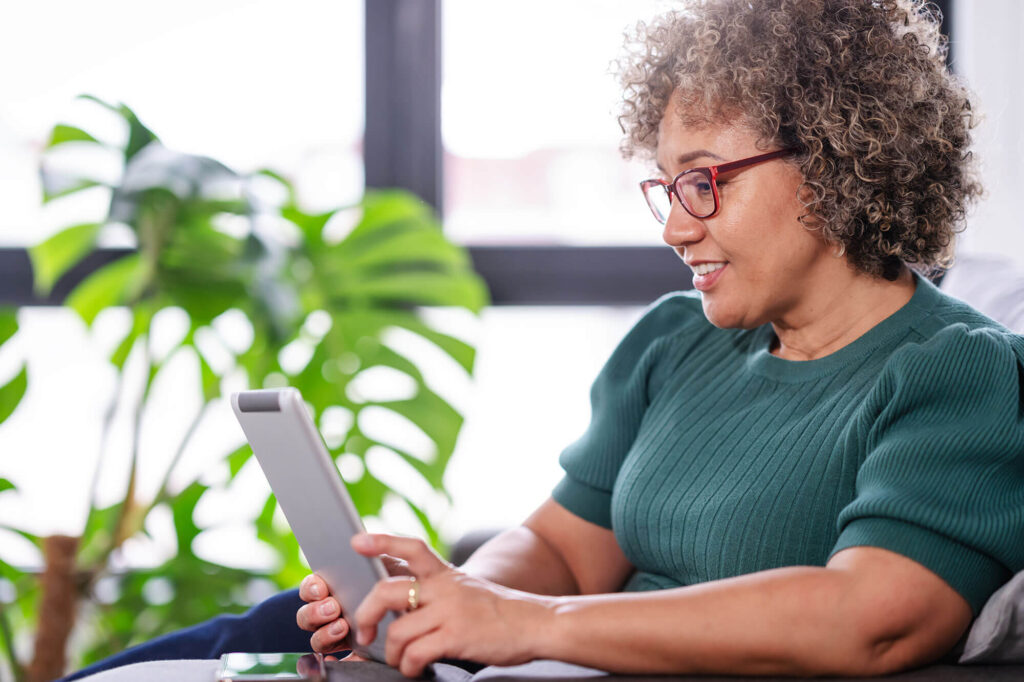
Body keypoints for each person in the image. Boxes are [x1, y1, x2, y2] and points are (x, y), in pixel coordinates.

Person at [64, 0, 1024, 679]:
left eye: (703, 182)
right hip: (537, 669)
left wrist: (528, 624)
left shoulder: (960, 372)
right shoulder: (676, 343)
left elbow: (871, 620)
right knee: (246, 639)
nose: (673, 225)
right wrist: (443, 606)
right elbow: (561, 550)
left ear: (838, 159)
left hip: (568, 666)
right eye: (664, 187)